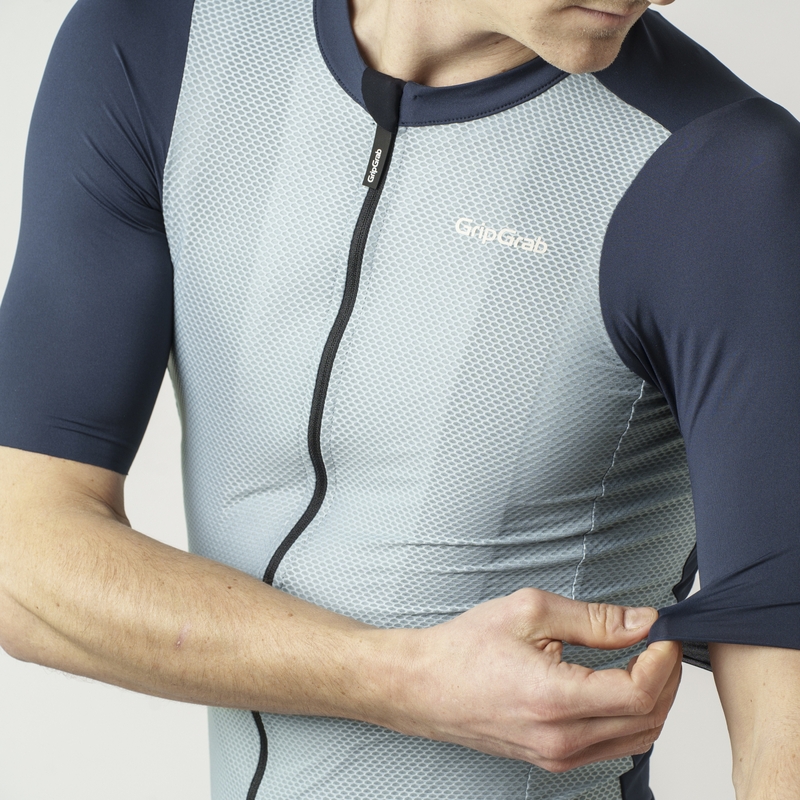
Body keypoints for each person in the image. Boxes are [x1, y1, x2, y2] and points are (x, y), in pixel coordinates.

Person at [0, 0, 798, 798]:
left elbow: (783, 736)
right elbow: (21, 561)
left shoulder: (727, 178)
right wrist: (402, 679)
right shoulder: (162, 40)